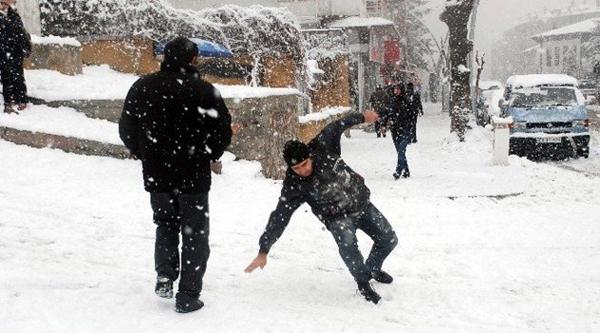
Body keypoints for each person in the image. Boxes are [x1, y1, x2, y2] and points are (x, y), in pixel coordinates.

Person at [119, 37, 232, 313]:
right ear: (192, 60)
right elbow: (223, 131)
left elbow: (127, 126)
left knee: (165, 223)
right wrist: (210, 153)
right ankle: (188, 295)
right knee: (194, 232)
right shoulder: (205, 91)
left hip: (158, 173)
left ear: (165, 57)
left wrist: (141, 151)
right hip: (192, 173)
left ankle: (166, 275)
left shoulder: (142, 87)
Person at [244, 111, 398, 304]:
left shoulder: (324, 145)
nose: (303, 170)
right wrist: (264, 249)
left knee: (389, 239)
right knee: (349, 247)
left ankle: (373, 268)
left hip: (362, 204)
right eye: (296, 168)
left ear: (310, 156)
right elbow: (280, 216)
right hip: (337, 218)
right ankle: (363, 282)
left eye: (304, 164)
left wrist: (362, 118)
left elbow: (339, 124)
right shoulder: (294, 186)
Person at [0, 0, 31, 114]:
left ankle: (21, 99)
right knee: (6, 77)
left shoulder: (14, 15)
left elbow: (22, 32)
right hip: (3, 52)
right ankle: (9, 100)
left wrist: (26, 47)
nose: (3, 5)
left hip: (15, 51)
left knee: (18, 76)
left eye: (4, 3)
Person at [382, 84, 412, 179]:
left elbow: (412, 116)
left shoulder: (406, 101)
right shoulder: (392, 101)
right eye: (395, 89)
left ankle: (398, 171)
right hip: (395, 130)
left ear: (401, 90)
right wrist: (383, 124)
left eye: (398, 89)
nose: (396, 91)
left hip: (405, 129)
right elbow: (387, 114)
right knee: (400, 152)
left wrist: (410, 128)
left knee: (401, 150)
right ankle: (406, 170)